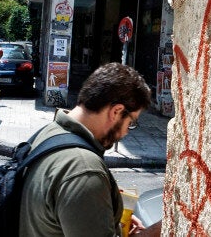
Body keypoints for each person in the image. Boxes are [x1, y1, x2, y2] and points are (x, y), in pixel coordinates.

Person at [19, 62, 155, 236]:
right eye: (132, 122)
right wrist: (153, 232)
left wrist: (106, 213)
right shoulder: (84, 169)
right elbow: (78, 185)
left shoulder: (49, 134)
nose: (127, 131)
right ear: (116, 111)